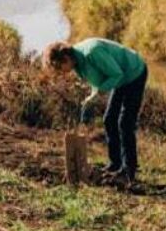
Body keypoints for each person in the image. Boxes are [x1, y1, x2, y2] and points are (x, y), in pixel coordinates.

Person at [43, 38, 147, 187]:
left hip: (133, 73)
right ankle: (115, 164)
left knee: (125, 123)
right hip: (121, 77)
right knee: (109, 120)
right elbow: (97, 80)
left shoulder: (92, 52)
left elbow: (116, 74)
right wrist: (90, 98)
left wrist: (99, 93)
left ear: (65, 58)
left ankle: (128, 172)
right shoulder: (77, 64)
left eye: (60, 67)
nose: (61, 72)